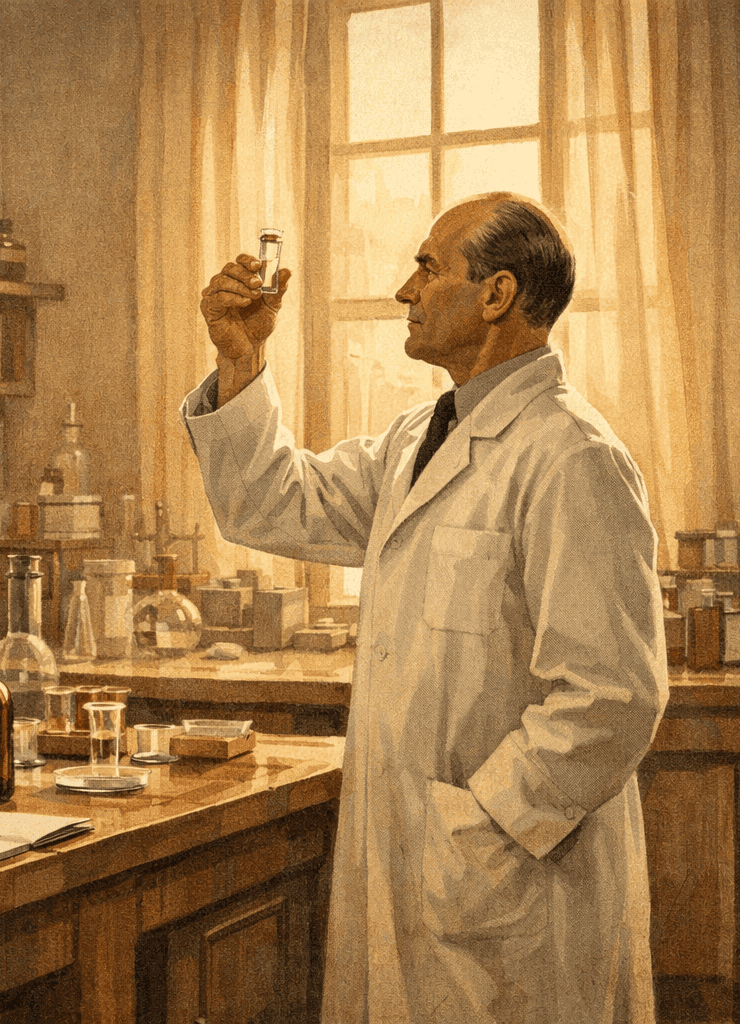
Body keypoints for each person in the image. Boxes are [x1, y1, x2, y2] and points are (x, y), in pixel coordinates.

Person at [183, 193, 668, 1024]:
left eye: (427, 268)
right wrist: (240, 360)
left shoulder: (571, 455)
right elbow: (273, 503)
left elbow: (614, 696)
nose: (406, 292)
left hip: (508, 878)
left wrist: (481, 829)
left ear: (497, 295)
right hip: (433, 864)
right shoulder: (421, 437)